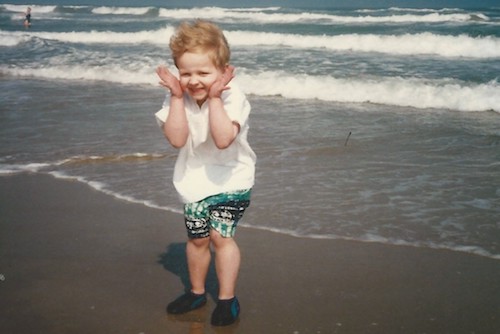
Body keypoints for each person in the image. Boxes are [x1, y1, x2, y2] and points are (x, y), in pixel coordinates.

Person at [154, 20, 256, 326]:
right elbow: (177, 139)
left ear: (223, 71)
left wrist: (213, 99)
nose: (194, 80)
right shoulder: (178, 96)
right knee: (197, 239)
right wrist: (175, 97)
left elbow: (224, 140)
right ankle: (197, 292)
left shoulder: (232, 96)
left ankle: (227, 299)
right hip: (194, 179)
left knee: (219, 236)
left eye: (203, 73)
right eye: (186, 73)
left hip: (232, 178)